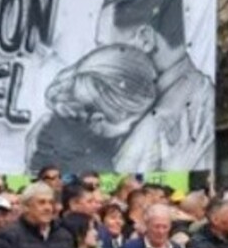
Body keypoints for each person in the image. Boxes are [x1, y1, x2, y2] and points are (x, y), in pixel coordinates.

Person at [94, 0, 215, 171]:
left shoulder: (163, 122)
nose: (100, 63)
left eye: (106, 49)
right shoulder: (196, 91)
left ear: (145, 39)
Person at [29, 45, 157, 175]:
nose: (132, 129)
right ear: (99, 120)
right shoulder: (94, 165)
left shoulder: (58, 124)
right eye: (132, 123)